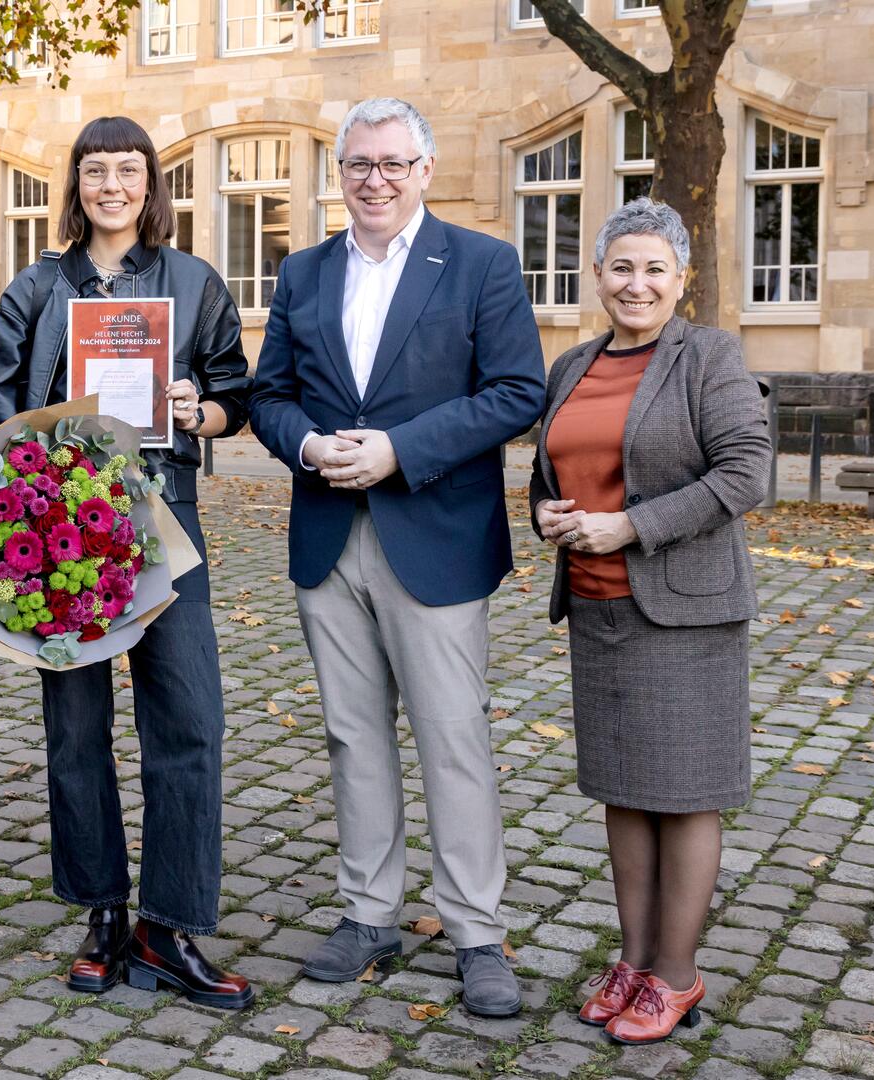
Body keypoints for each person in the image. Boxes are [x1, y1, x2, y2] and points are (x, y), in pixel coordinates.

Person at [248, 97, 546, 1018]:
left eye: (391, 164)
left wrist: (399, 450)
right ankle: (370, 912)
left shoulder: (481, 264)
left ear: (424, 169)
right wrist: (307, 446)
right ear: (339, 176)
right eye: (357, 166)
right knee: (352, 733)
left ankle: (475, 930)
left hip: (435, 535)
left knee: (452, 735)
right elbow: (270, 394)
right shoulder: (302, 271)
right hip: (328, 533)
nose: (373, 180)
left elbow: (517, 391)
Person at [0, 115, 255, 1009]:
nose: (111, 188)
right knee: (76, 728)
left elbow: (234, 395)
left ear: (149, 184)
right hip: (56, 534)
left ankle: (166, 926)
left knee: (187, 718)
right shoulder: (34, 288)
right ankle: (100, 913)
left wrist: (196, 405)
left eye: (127, 172)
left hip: (163, 518)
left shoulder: (192, 282)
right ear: (76, 184)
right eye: (95, 172)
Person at [530, 198, 770, 1044]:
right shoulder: (571, 366)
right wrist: (550, 519)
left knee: (683, 796)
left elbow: (746, 473)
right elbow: (546, 474)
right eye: (620, 267)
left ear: (680, 279)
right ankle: (632, 964)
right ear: (596, 274)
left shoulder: (708, 356)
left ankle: (675, 975)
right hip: (594, 612)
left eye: (653, 269)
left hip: (684, 616)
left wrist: (630, 526)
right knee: (624, 795)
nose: (636, 284)